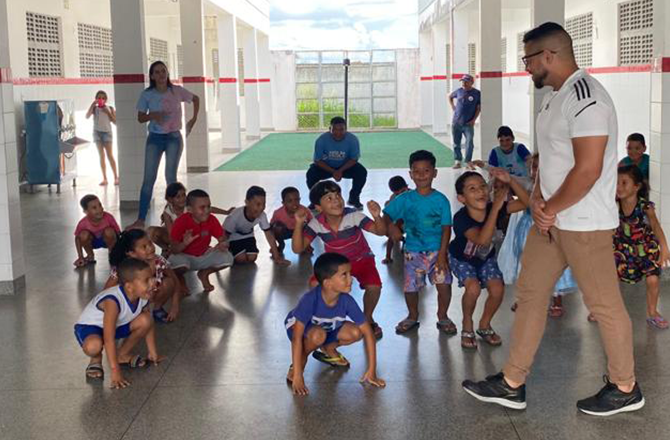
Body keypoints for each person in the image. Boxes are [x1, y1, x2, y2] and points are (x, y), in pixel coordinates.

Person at [462, 22, 644, 417]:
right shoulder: (555, 98)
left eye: (528, 58)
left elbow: (588, 168)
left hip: (585, 224)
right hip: (553, 222)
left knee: (604, 304)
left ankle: (625, 386)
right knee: (530, 294)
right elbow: (549, 159)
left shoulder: (587, 98)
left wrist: (550, 207)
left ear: (549, 55)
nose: (526, 66)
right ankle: (512, 382)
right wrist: (540, 201)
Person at [292, 181, 387, 339]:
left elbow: (380, 231)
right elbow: (298, 248)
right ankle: (324, 317)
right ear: (319, 207)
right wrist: (298, 224)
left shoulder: (353, 215)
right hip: (336, 265)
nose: (336, 200)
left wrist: (377, 216)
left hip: (362, 259)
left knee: (374, 287)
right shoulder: (316, 223)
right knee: (315, 284)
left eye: (338, 195)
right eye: (329, 198)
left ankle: (367, 318)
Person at [284, 252, 386, 395]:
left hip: (326, 328)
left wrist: (372, 371)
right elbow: (296, 337)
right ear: (327, 283)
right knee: (318, 335)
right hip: (299, 329)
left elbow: (368, 332)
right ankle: (296, 366)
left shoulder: (347, 300)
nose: (351, 279)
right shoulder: (310, 300)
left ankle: (328, 349)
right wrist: (298, 375)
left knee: (356, 332)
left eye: (350, 273)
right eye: (344, 275)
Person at [450, 170, 529, 348]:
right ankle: (467, 323)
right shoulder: (461, 218)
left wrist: (511, 181)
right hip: (462, 258)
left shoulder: (495, 207)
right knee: (473, 288)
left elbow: (527, 202)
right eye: (472, 189)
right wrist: (495, 209)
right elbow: (482, 240)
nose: (480, 191)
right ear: (461, 198)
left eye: (483, 186)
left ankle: (484, 324)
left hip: (485, 258)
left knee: (497, 289)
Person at [383, 151, 454, 335]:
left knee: (444, 285)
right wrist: (391, 227)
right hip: (412, 252)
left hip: (437, 252)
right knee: (410, 287)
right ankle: (412, 316)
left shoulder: (441, 200)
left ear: (435, 173)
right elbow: (387, 214)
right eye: (417, 171)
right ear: (411, 174)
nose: (422, 175)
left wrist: (442, 255)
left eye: (426, 170)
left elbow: (446, 229)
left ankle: (443, 316)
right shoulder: (405, 199)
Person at [500, 154, 577, 318]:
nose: (538, 171)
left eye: (542, 168)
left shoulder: (558, 187)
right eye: (534, 167)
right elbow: (522, 202)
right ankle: (524, 298)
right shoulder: (529, 186)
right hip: (528, 228)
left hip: (552, 228)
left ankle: (556, 298)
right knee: (526, 263)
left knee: (555, 261)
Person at [128, 60, 200, 230]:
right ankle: (141, 219)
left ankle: (175, 217)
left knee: (171, 179)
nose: (161, 74)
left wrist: (193, 119)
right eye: (157, 72)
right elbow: (140, 118)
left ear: (167, 73)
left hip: (174, 138)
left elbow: (196, 99)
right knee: (149, 179)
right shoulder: (147, 94)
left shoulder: (177, 91)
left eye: (163, 71)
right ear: (152, 76)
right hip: (155, 138)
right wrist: (152, 115)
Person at [74, 258, 165, 388]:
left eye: (152, 277)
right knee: (94, 346)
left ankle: (122, 355)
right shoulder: (113, 301)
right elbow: (109, 338)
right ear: (129, 286)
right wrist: (115, 372)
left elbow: (149, 323)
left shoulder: (143, 296)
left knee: (145, 320)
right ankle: (96, 359)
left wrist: (153, 352)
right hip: (90, 328)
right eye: (146, 280)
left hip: (117, 325)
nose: (153, 282)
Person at [613, 165, 670, 328]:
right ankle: (605, 311)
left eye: (624, 183)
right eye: (617, 183)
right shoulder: (614, 205)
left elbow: (655, 225)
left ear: (637, 187)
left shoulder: (645, 206)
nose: (619, 187)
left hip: (646, 249)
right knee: (611, 280)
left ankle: (652, 313)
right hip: (622, 250)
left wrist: (664, 248)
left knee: (653, 280)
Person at [106, 229, 182, 323]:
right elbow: (107, 290)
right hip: (130, 299)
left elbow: (175, 280)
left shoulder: (158, 261)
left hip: (149, 295)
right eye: (144, 247)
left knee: (169, 282)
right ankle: (133, 313)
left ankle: (156, 308)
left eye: (150, 243)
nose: (150, 248)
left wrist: (175, 305)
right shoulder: (124, 267)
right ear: (131, 253)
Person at [168, 189, 233, 293]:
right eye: (202, 207)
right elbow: (174, 250)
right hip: (185, 257)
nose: (206, 210)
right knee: (178, 263)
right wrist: (184, 243)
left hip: (203, 255)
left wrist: (223, 244)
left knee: (228, 258)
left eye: (208, 206)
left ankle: (204, 274)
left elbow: (223, 239)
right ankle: (180, 280)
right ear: (190, 209)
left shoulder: (211, 219)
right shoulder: (180, 222)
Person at [147, 182, 233, 256]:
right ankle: (166, 249)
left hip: (192, 236)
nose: (182, 199)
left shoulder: (190, 206)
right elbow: (171, 233)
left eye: (183, 195)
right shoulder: (167, 212)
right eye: (178, 197)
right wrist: (175, 247)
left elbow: (209, 209)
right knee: (151, 231)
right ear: (170, 199)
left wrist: (226, 212)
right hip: (177, 237)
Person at [306, 116, 368, 210]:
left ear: (345, 129)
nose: (338, 133)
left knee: (361, 172)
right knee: (311, 174)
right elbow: (317, 160)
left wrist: (340, 170)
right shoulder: (321, 140)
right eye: (335, 129)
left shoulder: (353, 140)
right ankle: (316, 201)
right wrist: (333, 171)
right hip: (326, 166)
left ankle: (354, 198)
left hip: (345, 166)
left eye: (341, 130)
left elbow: (354, 159)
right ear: (330, 129)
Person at [223, 186, 290, 266]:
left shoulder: (262, 215)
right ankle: (231, 252)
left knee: (252, 258)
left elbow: (269, 234)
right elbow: (224, 235)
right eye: (258, 204)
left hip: (248, 236)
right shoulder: (234, 216)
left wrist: (277, 257)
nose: (261, 208)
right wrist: (223, 249)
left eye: (263, 204)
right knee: (241, 259)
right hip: (234, 238)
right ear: (247, 202)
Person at [74, 194, 120, 267]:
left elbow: (118, 233)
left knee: (109, 231)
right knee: (83, 235)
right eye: (94, 208)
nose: (99, 209)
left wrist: (120, 251)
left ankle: (112, 254)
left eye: (100, 205)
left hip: (107, 241)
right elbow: (77, 239)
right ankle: (90, 256)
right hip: (92, 242)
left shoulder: (109, 217)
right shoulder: (82, 223)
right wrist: (80, 257)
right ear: (86, 211)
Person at [85, 90, 118, 186]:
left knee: (109, 155)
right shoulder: (95, 109)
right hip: (97, 133)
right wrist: (93, 104)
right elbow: (87, 116)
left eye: (103, 98)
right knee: (101, 155)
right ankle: (105, 178)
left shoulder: (110, 108)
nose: (101, 100)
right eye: (99, 98)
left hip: (107, 133)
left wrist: (108, 112)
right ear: (96, 99)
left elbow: (115, 122)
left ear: (106, 100)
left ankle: (116, 177)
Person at [449, 74, 481, 169]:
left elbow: (478, 108)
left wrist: (474, 120)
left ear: (472, 82)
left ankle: (468, 161)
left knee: (469, 142)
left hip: (468, 124)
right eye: (463, 81)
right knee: (456, 143)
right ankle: (458, 161)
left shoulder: (477, 93)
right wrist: (453, 106)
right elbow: (450, 96)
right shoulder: (459, 91)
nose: (464, 83)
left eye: (466, 81)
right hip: (456, 122)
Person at [270, 187, 313, 255]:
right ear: (283, 203)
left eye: (296, 200)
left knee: (308, 225)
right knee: (276, 227)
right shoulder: (278, 213)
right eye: (290, 201)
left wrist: (308, 242)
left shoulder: (304, 210)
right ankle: (281, 245)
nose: (294, 203)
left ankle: (305, 245)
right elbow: (270, 227)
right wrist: (273, 246)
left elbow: (313, 224)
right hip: (285, 232)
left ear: (299, 199)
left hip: (300, 232)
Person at [382, 175, 409, 264]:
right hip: (398, 222)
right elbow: (388, 214)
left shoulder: (413, 196)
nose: (400, 195)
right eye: (397, 194)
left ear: (406, 187)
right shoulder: (394, 198)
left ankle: (406, 242)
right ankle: (388, 256)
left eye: (402, 191)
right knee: (390, 233)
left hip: (411, 222)